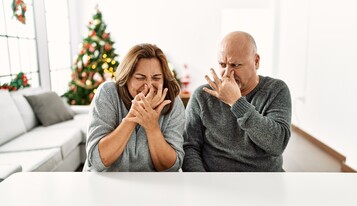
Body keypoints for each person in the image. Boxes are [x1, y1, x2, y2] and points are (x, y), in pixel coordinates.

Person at [182, 31, 292, 172]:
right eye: (222, 64)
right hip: (214, 182)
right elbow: (189, 147)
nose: (227, 73)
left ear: (256, 61)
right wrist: (202, 182)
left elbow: (277, 144)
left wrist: (237, 102)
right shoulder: (202, 96)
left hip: (265, 182)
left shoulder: (276, 90)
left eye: (235, 65)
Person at [83, 43, 185, 172]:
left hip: (152, 185)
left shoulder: (173, 102)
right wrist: (134, 116)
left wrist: (152, 126)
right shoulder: (108, 93)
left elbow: (171, 168)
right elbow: (97, 161)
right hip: (106, 183)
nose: (148, 85)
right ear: (127, 78)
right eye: (140, 77)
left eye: (156, 78)